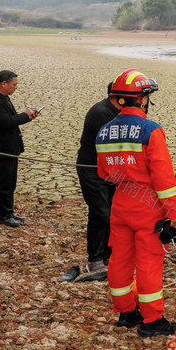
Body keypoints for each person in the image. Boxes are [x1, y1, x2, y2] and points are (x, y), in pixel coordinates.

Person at [96, 69, 176, 338]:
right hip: (148, 204)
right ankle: (152, 319)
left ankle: (126, 312)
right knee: (149, 263)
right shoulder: (151, 130)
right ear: (143, 99)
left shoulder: (105, 131)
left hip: (120, 202)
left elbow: (104, 173)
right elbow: (164, 178)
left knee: (120, 260)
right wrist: (174, 213)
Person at [0, 70, 39, 227]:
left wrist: (28, 117)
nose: (16, 87)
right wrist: (25, 115)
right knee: (2, 183)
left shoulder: (4, 98)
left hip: (10, 149)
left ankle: (9, 211)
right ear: (3, 83)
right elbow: (6, 122)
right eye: (14, 84)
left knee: (10, 182)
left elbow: (12, 121)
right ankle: (3, 215)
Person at [76, 82, 121, 274]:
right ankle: (95, 259)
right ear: (116, 96)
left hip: (111, 170)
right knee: (101, 213)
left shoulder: (120, 112)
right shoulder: (102, 112)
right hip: (92, 169)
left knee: (113, 213)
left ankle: (107, 255)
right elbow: (114, 144)